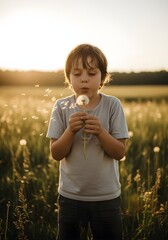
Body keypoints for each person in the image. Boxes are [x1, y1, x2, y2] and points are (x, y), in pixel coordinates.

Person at [46, 43, 129, 240]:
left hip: (106, 197)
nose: (84, 78)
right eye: (76, 73)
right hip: (70, 198)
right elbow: (56, 154)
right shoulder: (61, 106)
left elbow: (120, 152)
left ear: (102, 79)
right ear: (69, 79)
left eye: (92, 73)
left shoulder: (112, 105)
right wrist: (69, 131)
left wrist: (101, 132)